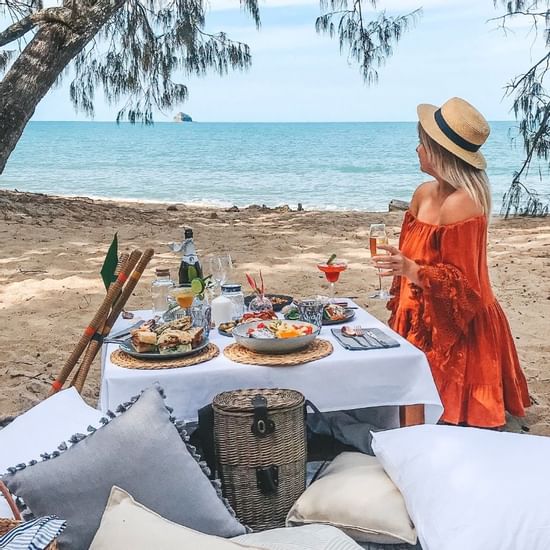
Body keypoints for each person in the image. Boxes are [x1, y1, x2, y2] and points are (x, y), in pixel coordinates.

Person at [373, 97, 530, 428]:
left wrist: (410, 269)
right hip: (417, 315)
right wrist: (399, 273)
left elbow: (463, 288)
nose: (416, 149)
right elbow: (408, 255)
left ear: (440, 154)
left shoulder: (464, 202)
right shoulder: (422, 193)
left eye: (423, 144)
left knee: (446, 423)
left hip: (458, 326)